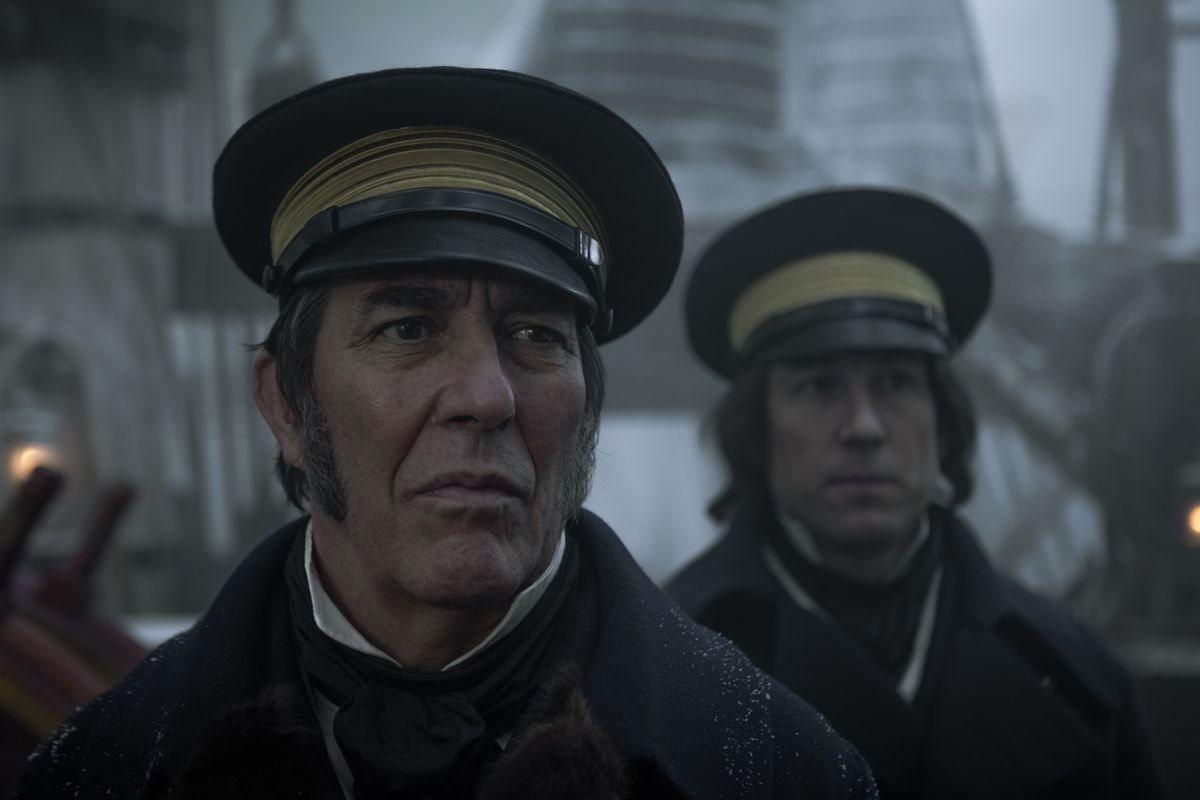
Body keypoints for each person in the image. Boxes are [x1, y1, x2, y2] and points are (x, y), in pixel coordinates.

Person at [16, 68, 877, 800]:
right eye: (407, 330)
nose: (486, 396)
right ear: (284, 403)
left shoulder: (780, 769)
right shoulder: (101, 771)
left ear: (588, 406)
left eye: (536, 336)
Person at [667, 188, 1168, 799]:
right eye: (818, 387)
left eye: (896, 383)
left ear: (943, 419)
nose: (864, 427)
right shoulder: (666, 666)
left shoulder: (1074, 673)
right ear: (756, 432)